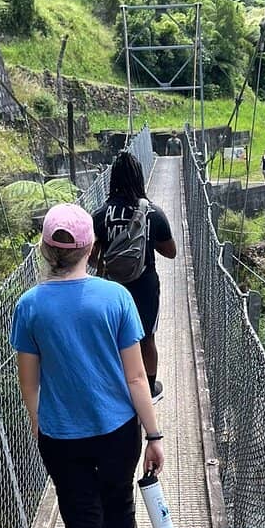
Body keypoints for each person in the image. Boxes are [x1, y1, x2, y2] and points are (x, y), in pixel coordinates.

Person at [11, 204, 164, 528]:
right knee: (118, 502)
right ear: (92, 247)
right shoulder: (116, 298)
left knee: (81, 522)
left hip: (61, 438)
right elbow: (137, 379)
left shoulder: (30, 306)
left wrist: (43, 428)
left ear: (44, 250)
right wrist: (154, 437)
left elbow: (29, 384)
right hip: (117, 430)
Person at [92, 151, 177, 404]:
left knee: (113, 336)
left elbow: (89, 256)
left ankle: (116, 385)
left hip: (110, 286)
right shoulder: (153, 213)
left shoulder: (100, 215)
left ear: (112, 179)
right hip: (144, 285)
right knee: (146, 336)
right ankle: (149, 387)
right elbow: (171, 252)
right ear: (139, 178)